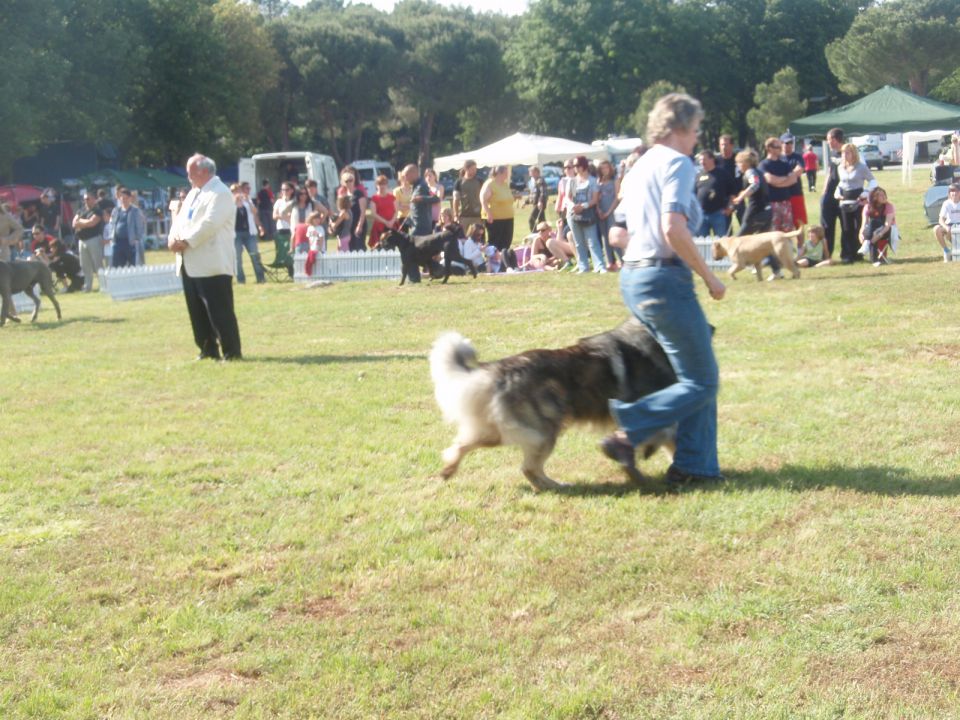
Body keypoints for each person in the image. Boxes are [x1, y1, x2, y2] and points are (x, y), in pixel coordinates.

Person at [600, 92, 726, 488]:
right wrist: (709, 275)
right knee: (703, 381)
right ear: (679, 128)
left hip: (634, 277)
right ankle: (629, 431)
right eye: (696, 129)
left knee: (694, 374)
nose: (698, 137)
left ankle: (696, 467)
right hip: (664, 278)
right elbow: (673, 228)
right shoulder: (678, 163)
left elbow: (617, 231)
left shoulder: (638, 167)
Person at [167, 154, 242, 361]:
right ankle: (207, 348)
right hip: (189, 262)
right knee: (197, 311)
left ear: (204, 171)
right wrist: (172, 238)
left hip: (212, 263)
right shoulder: (193, 193)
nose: (188, 175)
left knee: (219, 311)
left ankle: (231, 351)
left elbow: (210, 224)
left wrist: (186, 242)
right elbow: (180, 220)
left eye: (191, 171)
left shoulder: (221, 193)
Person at [835, 142, 876, 264]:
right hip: (844, 201)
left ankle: (858, 253)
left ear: (853, 154)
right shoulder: (840, 167)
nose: (845, 155)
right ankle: (847, 255)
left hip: (858, 201)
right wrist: (837, 192)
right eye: (843, 152)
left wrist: (866, 193)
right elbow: (842, 183)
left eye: (847, 152)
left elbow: (873, 181)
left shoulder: (861, 167)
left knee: (858, 226)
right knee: (846, 228)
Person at [565, 155, 605, 273]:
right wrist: (573, 206)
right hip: (573, 214)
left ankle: (600, 266)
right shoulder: (572, 181)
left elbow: (595, 199)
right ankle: (583, 266)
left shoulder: (592, 181)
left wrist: (583, 206)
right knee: (578, 242)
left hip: (588, 214)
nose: (574, 168)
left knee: (592, 241)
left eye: (577, 166)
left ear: (583, 166)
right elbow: (568, 198)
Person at [759, 136, 801, 233]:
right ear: (769, 148)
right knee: (773, 233)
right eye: (778, 147)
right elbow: (770, 179)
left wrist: (779, 182)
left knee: (788, 231)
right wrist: (785, 179)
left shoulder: (784, 164)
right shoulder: (763, 164)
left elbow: (793, 179)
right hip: (771, 203)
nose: (781, 148)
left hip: (786, 203)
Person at [731, 149, 772, 236]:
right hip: (767, 211)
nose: (737, 165)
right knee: (763, 240)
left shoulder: (750, 172)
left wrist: (741, 197)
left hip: (755, 211)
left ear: (745, 163)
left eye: (738, 163)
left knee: (740, 237)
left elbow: (755, 184)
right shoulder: (759, 172)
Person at [231, 183, 266, 283]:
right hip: (236, 234)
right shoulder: (230, 202)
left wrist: (248, 201)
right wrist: (235, 202)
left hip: (249, 232)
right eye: (234, 191)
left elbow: (255, 212)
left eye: (238, 190)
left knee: (255, 255)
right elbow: (228, 215)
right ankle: (241, 280)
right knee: (237, 258)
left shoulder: (247, 200)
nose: (237, 193)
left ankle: (261, 278)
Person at [695, 150, 735, 238]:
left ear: (712, 159)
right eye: (700, 160)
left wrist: (730, 208)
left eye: (704, 159)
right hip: (702, 215)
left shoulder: (722, 173)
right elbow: (694, 194)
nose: (702, 162)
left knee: (722, 243)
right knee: (702, 243)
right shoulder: (698, 175)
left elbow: (732, 193)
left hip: (718, 214)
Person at [481, 165, 516, 265]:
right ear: (499, 173)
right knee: (495, 242)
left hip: (508, 218)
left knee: (507, 241)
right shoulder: (490, 183)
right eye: (505, 173)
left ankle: (504, 261)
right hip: (495, 218)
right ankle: (492, 262)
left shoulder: (504, 184)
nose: (507, 175)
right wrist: (488, 213)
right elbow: (483, 200)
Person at [72, 190, 105, 292]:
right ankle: (88, 286)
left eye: (88, 199)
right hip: (82, 240)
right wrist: (84, 222)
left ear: (94, 199)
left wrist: (80, 222)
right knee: (85, 265)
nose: (86, 201)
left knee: (97, 264)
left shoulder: (98, 211)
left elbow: (92, 223)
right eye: (85, 199)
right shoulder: (81, 210)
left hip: (94, 239)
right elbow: (74, 223)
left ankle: (103, 285)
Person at [820, 127, 844, 261]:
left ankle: (847, 254)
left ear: (835, 140)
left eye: (829, 140)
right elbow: (829, 172)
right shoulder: (832, 153)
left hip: (842, 194)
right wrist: (824, 191)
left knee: (845, 226)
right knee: (826, 225)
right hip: (829, 194)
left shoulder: (848, 152)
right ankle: (826, 254)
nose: (828, 142)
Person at [107, 188, 146, 268]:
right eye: (122, 198)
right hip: (118, 242)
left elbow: (140, 226)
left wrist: (137, 238)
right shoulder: (116, 210)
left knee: (133, 266)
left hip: (130, 242)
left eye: (125, 198)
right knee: (117, 266)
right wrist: (111, 236)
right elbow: (111, 224)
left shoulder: (135, 211)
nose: (123, 200)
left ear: (130, 198)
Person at [780, 133, 808, 239]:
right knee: (783, 226)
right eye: (786, 143)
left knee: (799, 224)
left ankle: (801, 251)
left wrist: (782, 179)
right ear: (781, 144)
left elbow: (799, 171)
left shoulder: (797, 157)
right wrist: (789, 178)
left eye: (790, 143)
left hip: (796, 194)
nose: (789, 145)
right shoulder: (778, 158)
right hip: (781, 196)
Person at [860, 186, 896, 266]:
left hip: (887, 230)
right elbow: (864, 224)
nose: (884, 197)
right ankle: (874, 260)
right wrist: (861, 233)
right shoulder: (867, 207)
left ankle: (867, 244)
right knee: (872, 227)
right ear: (875, 197)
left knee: (873, 226)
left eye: (884, 195)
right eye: (881, 195)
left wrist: (879, 235)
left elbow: (887, 225)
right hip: (872, 231)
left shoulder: (889, 206)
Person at [596, 160, 621, 269]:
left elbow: (617, 197)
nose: (604, 170)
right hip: (601, 212)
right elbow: (596, 197)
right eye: (602, 168)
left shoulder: (615, 180)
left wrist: (608, 212)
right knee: (605, 237)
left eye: (606, 167)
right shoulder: (598, 181)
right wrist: (598, 210)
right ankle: (610, 261)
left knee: (614, 236)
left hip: (612, 211)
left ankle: (622, 259)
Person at [405, 165, 439, 238]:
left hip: (422, 228)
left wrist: (421, 198)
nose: (405, 179)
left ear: (414, 174)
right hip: (415, 225)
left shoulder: (422, 186)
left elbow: (436, 199)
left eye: (406, 176)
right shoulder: (415, 186)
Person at [338, 168, 368, 251]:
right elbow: (341, 211)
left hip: (358, 223)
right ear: (343, 182)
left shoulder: (359, 193)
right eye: (346, 181)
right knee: (349, 248)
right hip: (348, 226)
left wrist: (360, 226)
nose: (349, 182)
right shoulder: (344, 196)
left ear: (354, 180)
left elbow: (363, 211)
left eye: (351, 180)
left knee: (359, 247)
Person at [716, 134, 743, 228]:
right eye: (722, 144)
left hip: (739, 197)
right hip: (724, 199)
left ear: (732, 145)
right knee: (726, 229)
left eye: (726, 144)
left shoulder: (739, 159)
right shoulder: (716, 161)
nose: (724, 147)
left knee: (745, 227)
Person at [452, 160, 483, 235]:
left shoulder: (479, 181)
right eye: (473, 169)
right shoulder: (459, 182)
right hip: (464, 216)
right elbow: (456, 200)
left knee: (477, 238)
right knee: (464, 237)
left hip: (477, 216)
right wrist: (456, 215)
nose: (475, 171)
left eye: (475, 169)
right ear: (466, 169)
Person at [368, 174, 396, 249]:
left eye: (384, 184)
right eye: (380, 184)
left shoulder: (392, 197)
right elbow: (373, 213)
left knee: (391, 248)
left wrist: (392, 222)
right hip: (379, 227)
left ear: (387, 185)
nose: (382, 186)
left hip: (391, 226)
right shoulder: (374, 198)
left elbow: (396, 211)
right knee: (378, 248)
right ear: (376, 186)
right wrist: (386, 222)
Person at [934, 183, 960, 263]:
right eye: (952, 191)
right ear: (949, 193)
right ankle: (946, 251)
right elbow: (941, 219)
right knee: (936, 229)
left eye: (956, 191)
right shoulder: (946, 203)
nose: (954, 193)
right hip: (950, 225)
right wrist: (946, 227)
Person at [272, 182, 296, 257]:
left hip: (292, 229)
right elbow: (274, 216)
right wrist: (285, 217)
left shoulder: (295, 202)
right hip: (281, 229)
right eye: (283, 190)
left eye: (287, 189)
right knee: (282, 251)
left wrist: (282, 215)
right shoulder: (279, 202)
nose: (284, 192)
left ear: (292, 190)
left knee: (292, 249)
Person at [527, 166, 547, 232]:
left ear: (536, 172)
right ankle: (544, 235)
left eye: (531, 171)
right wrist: (526, 202)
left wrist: (540, 201)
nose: (529, 173)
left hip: (539, 204)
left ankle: (535, 234)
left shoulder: (540, 181)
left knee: (531, 219)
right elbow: (532, 194)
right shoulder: (533, 181)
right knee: (542, 221)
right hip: (536, 204)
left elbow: (543, 192)